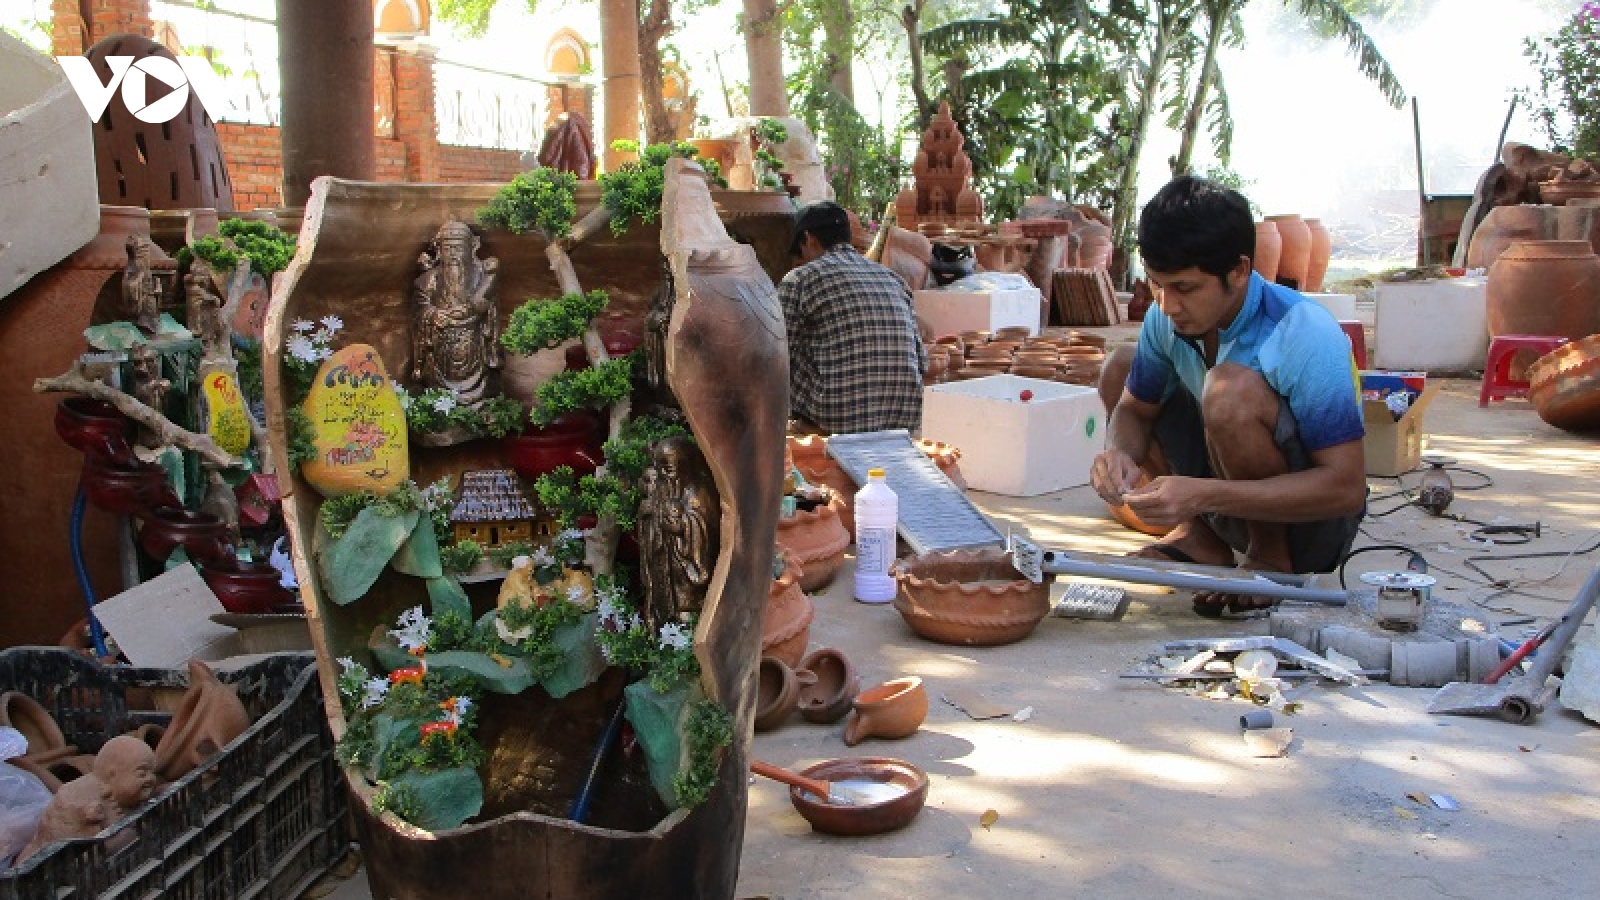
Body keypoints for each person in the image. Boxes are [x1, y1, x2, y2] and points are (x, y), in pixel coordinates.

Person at [1090, 176, 1367, 617]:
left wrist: (1203, 494)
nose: (1167, 305)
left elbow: (1346, 488)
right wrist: (1118, 453)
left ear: (1238, 271)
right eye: (1158, 285)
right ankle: (1200, 537)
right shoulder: (1168, 319)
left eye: (1185, 288)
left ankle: (1269, 559)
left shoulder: (1302, 331)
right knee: (1120, 367)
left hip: (1312, 526)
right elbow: (1133, 410)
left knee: (1227, 389)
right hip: (1227, 500)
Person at [779, 201, 927, 434]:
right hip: (904, 425)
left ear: (809, 239)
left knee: (776, 357)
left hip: (836, 424)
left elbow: (776, 357)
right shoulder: (893, 279)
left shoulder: (799, 279)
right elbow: (922, 361)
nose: (800, 261)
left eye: (800, 254)